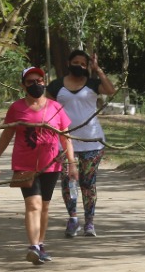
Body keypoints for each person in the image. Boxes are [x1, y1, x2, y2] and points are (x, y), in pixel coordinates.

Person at [0, 66, 79, 265]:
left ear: (44, 82)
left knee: (44, 206)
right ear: (23, 85)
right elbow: (7, 134)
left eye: (39, 81)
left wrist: (72, 163)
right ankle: (33, 246)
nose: (36, 85)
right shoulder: (16, 108)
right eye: (31, 82)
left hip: (51, 163)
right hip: (24, 164)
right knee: (33, 204)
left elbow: (66, 138)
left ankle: (40, 244)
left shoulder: (56, 108)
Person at [47, 49, 115, 237]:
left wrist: (98, 69)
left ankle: (90, 221)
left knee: (87, 183)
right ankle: (73, 218)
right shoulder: (56, 86)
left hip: (92, 142)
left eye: (83, 64)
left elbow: (110, 91)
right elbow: (48, 111)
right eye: (75, 62)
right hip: (64, 143)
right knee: (68, 181)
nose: (79, 66)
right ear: (68, 63)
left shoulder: (93, 84)